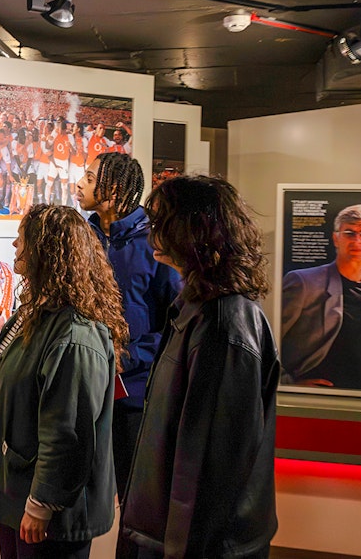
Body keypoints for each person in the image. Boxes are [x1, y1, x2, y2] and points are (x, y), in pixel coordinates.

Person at [119, 175, 279, 559]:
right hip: (169, 533)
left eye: (159, 222)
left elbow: (209, 462)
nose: (149, 232)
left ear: (194, 230)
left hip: (197, 543)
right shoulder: (196, 309)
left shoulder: (223, 324)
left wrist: (182, 547)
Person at [0, 204, 129, 559]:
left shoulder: (74, 334)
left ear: (44, 249)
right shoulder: (36, 313)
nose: (14, 246)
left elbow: (67, 431)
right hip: (20, 492)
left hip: (49, 510)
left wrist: (42, 502)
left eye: (22, 239)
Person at [74, 152, 180, 505]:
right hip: (84, 389)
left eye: (89, 178)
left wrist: (131, 355)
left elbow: (177, 319)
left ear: (114, 188)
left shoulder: (156, 242)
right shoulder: (82, 237)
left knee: (136, 498)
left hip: (135, 392)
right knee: (78, 492)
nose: (79, 184)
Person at [280, 203, 361, 392]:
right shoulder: (304, 282)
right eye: (349, 233)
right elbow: (269, 339)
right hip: (315, 403)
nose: (357, 239)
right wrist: (287, 383)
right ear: (336, 239)